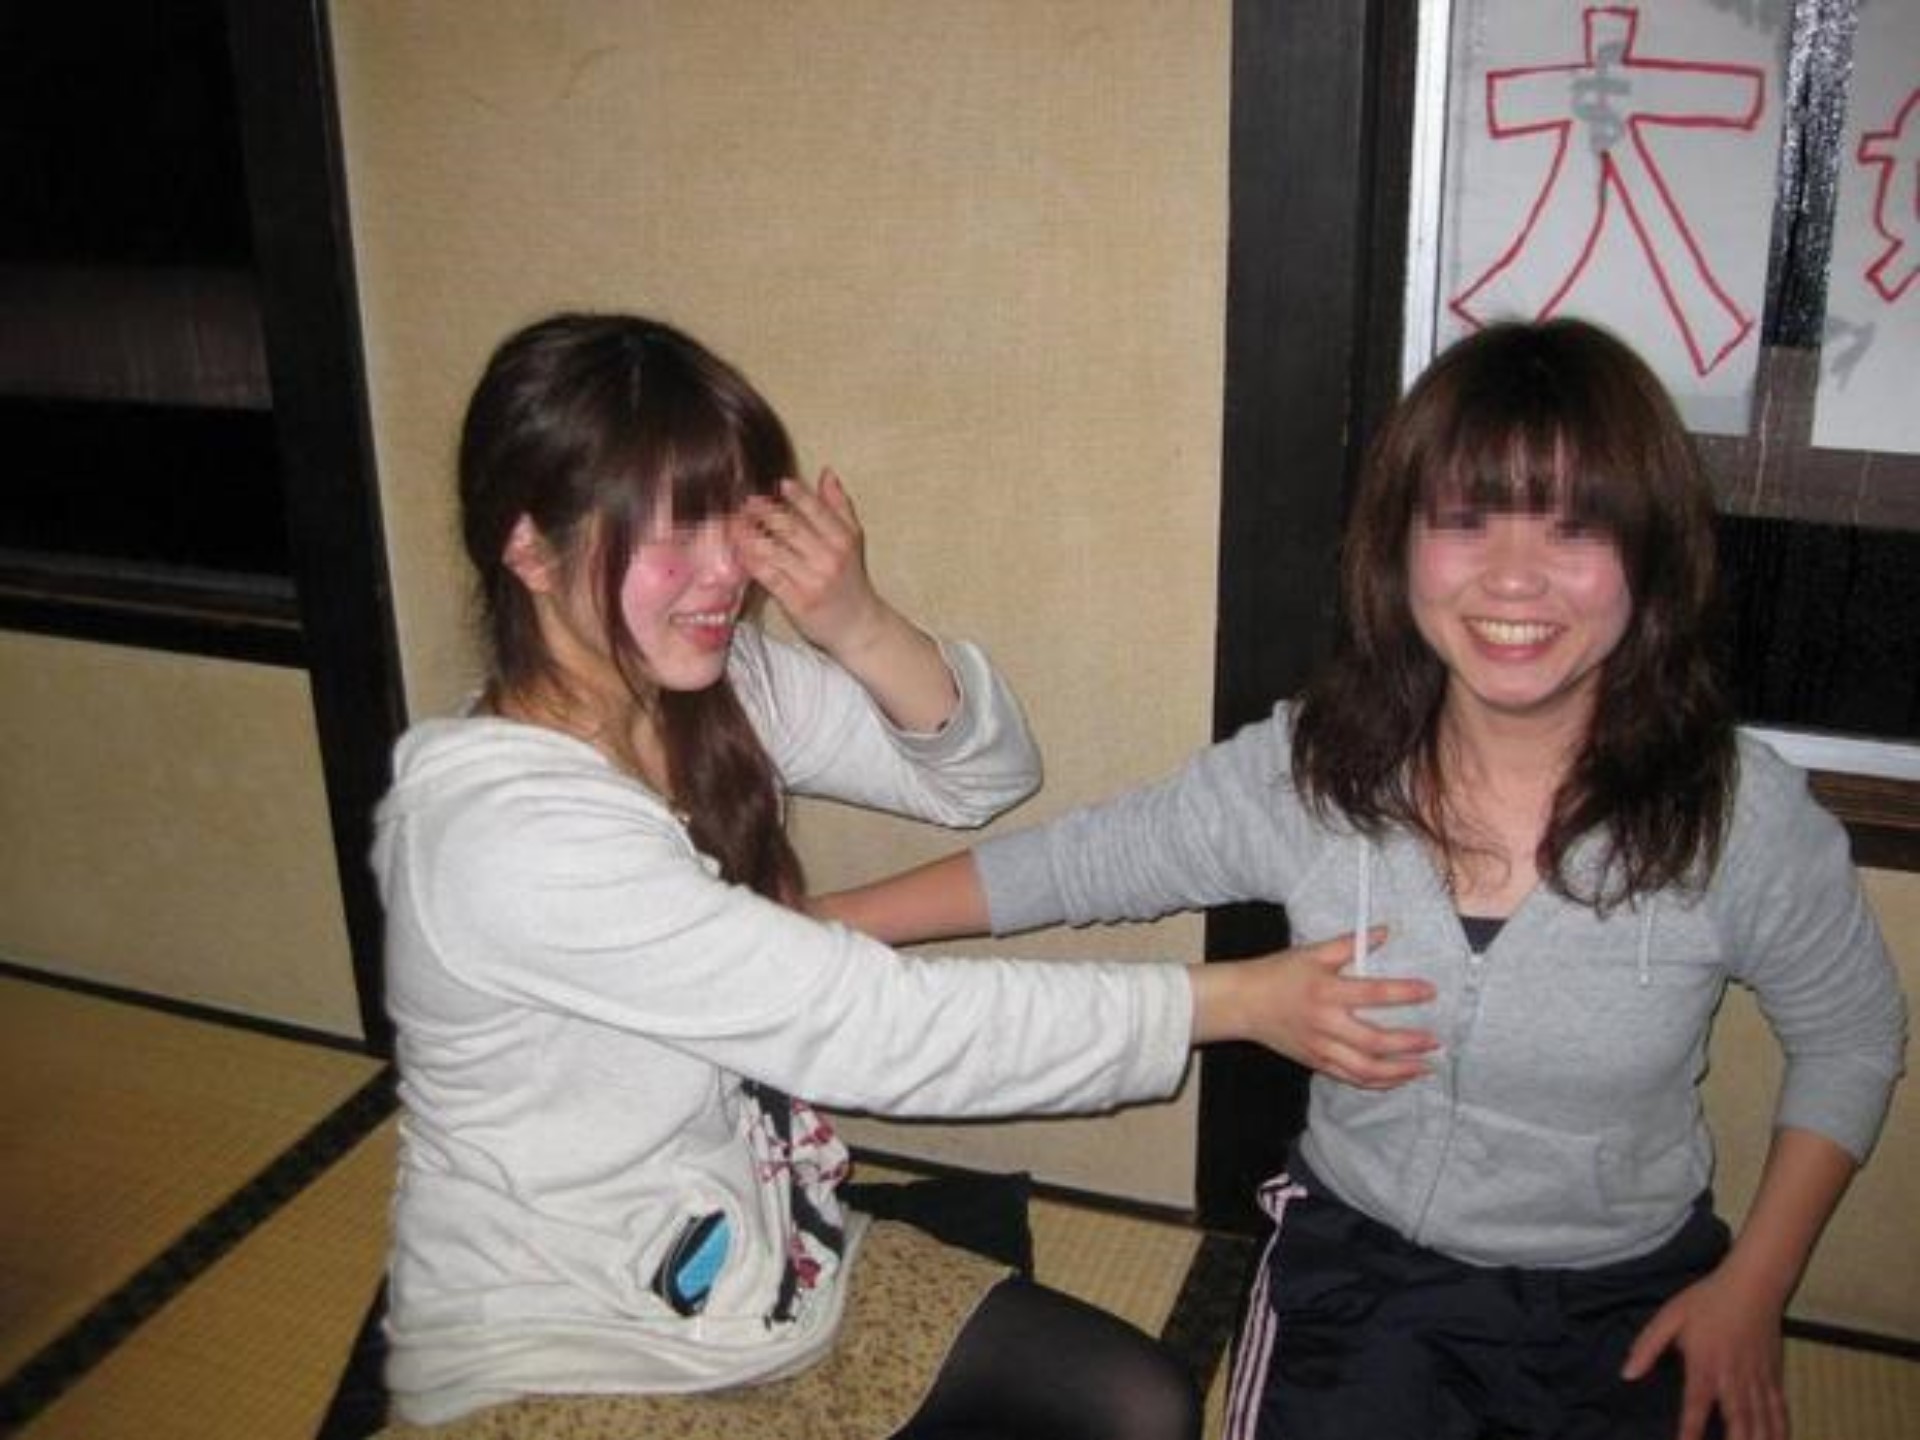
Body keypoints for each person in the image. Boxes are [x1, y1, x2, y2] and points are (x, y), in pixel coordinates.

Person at [820, 318, 1908, 1440]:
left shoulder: (1733, 809)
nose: (1514, 576)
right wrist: (821, 927)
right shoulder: (1321, 766)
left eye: (1575, 525)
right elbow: (1085, 861)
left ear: (1651, 555)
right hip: (1362, 1275)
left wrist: (1754, 1285)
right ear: (1401, 545)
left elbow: (1853, 1035)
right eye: (1466, 519)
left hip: (1627, 1293)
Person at [369, 311, 1439, 1440]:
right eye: (672, 532)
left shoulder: (709, 689)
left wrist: (855, 619)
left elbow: (979, 777)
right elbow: (875, 1029)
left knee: (1142, 1404)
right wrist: (1231, 1002)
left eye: (733, 517)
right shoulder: (504, 834)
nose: (726, 571)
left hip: (762, 1259)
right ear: (531, 550)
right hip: (563, 1336)